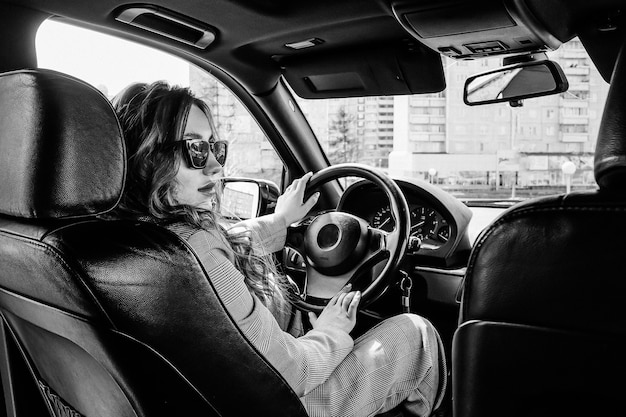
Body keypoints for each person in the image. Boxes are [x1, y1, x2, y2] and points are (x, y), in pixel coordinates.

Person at [112, 81, 447, 417]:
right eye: (196, 150)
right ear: (147, 158)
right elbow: (292, 372)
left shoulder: (120, 241)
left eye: (216, 148)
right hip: (282, 404)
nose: (215, 165)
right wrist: (332, 329)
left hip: (207, 400)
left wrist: (282, 220)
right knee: (416, 336)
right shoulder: (198, 251)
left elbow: (232, 242)